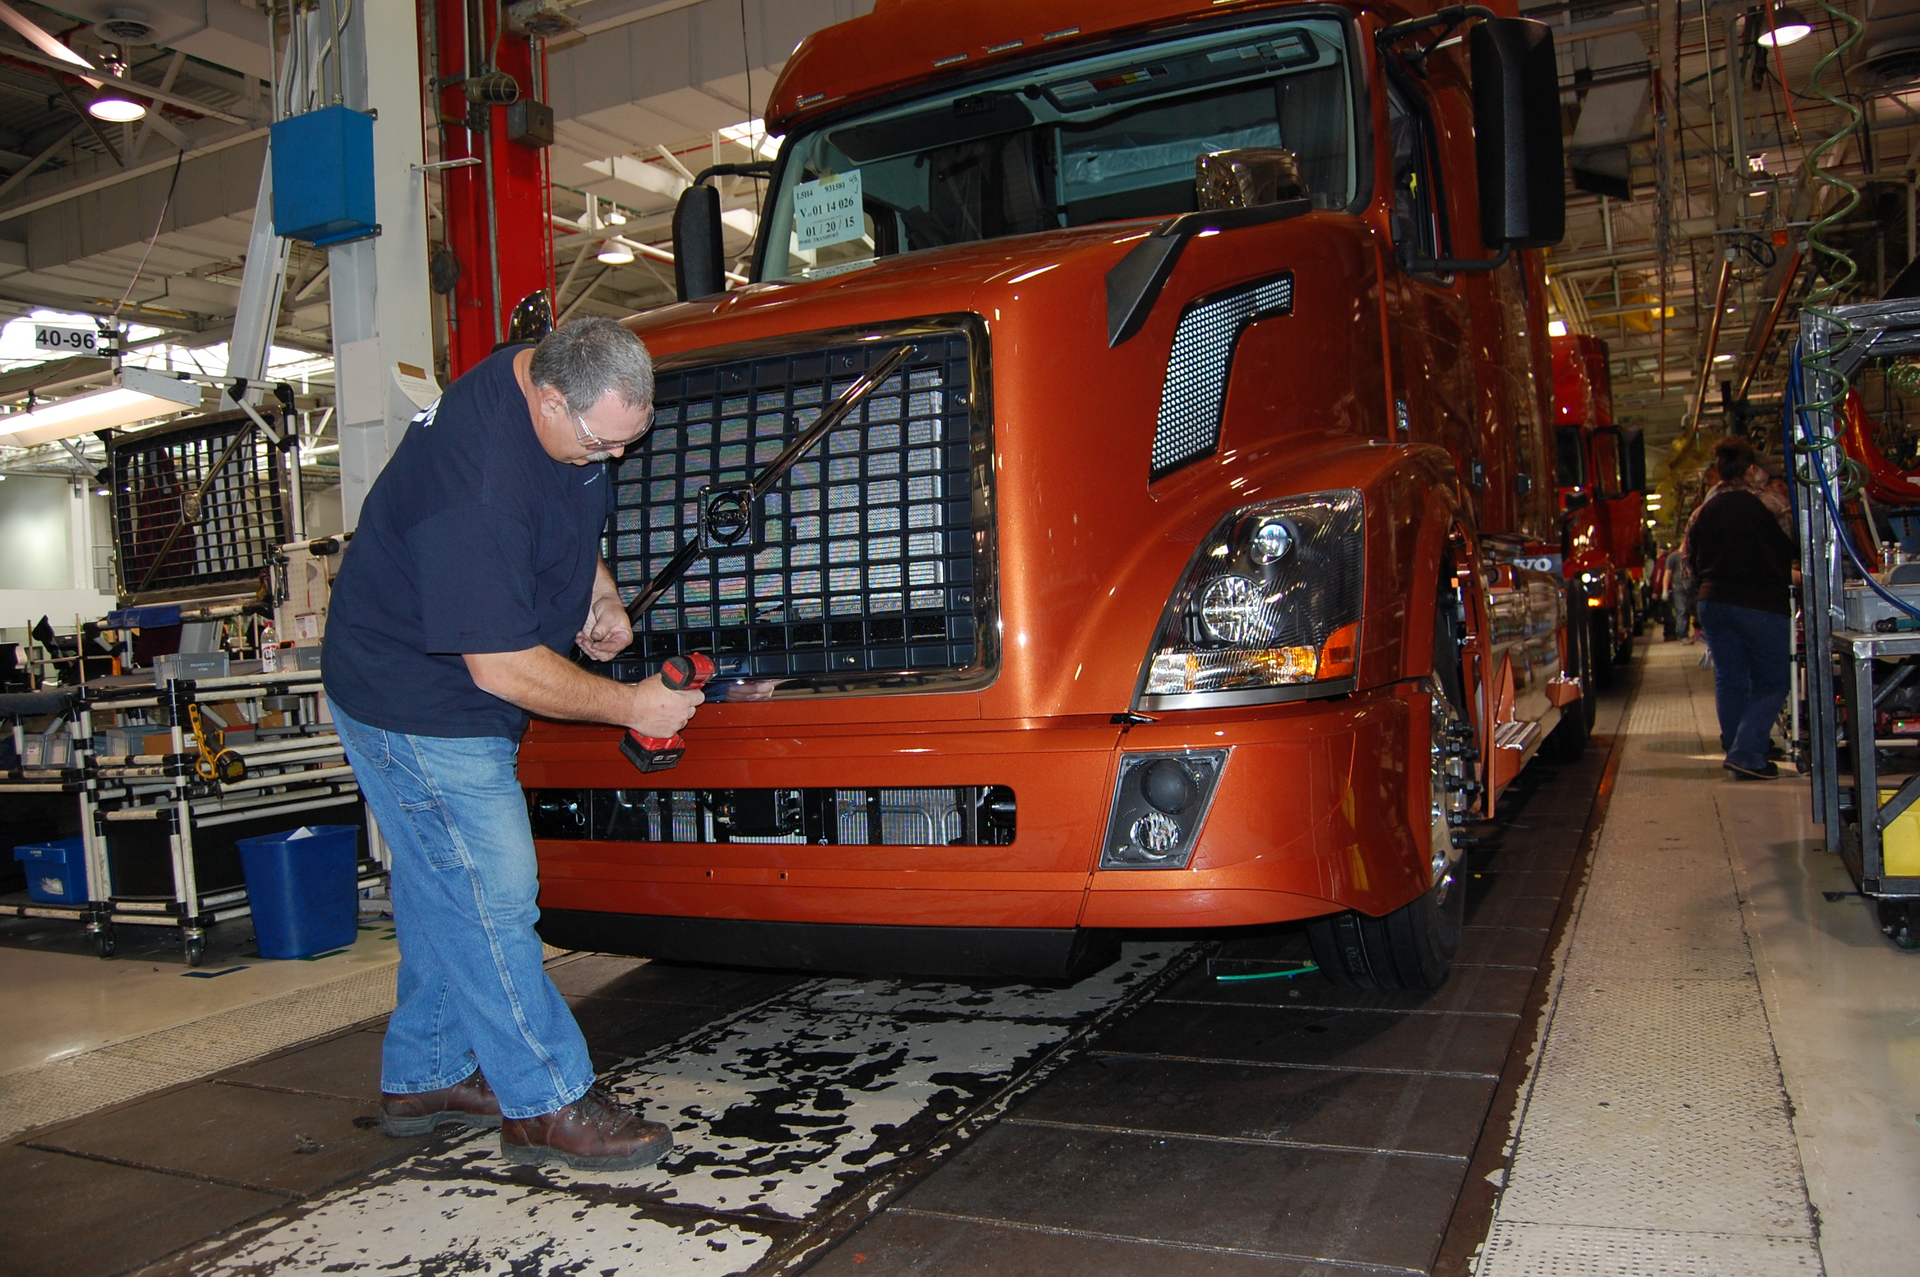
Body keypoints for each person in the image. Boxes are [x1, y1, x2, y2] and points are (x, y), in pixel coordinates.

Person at [322, 317, 703, 1170]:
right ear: (548, 398)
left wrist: (597, 592)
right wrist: (632, 705)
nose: (609, 462)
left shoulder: (557, 406)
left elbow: (572, 511)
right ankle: (544, 1099)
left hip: (458, 680)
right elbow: (498, 666)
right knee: (493, 891)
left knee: (440, 888)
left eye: (625, 446)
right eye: (600, 444)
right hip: (413, 697)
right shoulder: (480, 475)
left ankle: (425, 1073)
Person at [1685, 436, 1796, 780]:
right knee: (1773, 681)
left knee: (1730, 680)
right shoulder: (1770, 504)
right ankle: (1747, 752)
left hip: (1713, 602)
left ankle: (1738, 746)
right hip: (1760, 602)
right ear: (1751, 469)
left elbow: (1689, 565)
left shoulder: (1702, 511)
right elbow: (1794, 548)